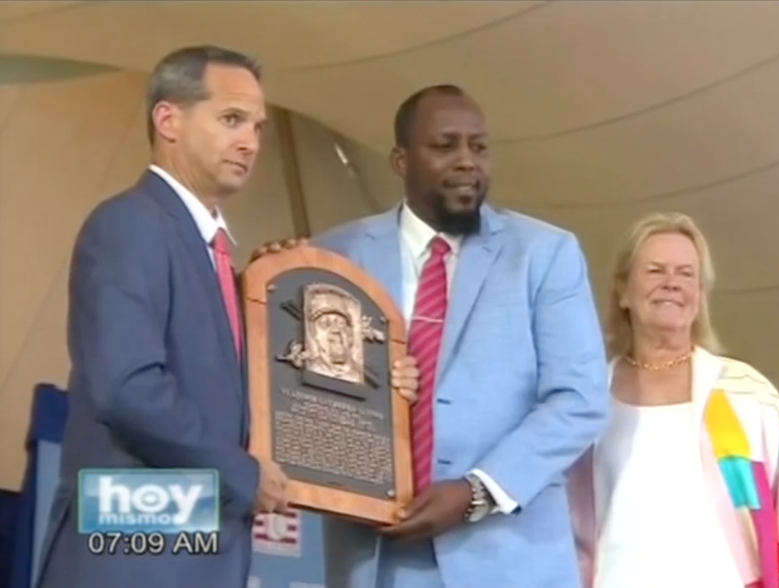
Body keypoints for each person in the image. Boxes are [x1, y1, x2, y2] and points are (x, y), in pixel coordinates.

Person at [32, 46, 420, 588]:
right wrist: (242, 473)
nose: (250, 142)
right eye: (232, 119)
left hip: (202, 551)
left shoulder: (223, 264)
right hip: (132, 554)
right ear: (168, 119)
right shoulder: (130, 224)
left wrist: (377, 380)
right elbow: (127, 387)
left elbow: (251, 394)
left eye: (258, 127)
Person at [312, 84, 610, 588]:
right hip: (375, 559)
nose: (467, 160)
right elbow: (302, 389)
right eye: (445, 145)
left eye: (479, 146)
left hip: (509, 559)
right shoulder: (335, 252)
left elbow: (579, 399)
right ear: (401, 160)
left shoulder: (544, 254)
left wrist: (477, 491)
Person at [567, 212, 779, 588]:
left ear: (700, 295)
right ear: (622, 290)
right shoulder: (585, 400)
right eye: (655, 271)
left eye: (686, 274)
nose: (672, 283)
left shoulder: (746, 394)